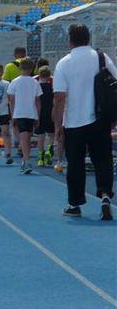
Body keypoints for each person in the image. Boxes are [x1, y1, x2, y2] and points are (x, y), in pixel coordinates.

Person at [53, 23, 117, 220]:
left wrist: (57, 125)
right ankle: (105, 195)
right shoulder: (101, 57)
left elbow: (60, 97)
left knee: (75, 164)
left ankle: (75, 204)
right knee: (103, 160)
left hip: (74, 121)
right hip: (100, 119)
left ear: (70, 40)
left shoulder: (64, 63)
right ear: (88, 38)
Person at [8, 58, 42, 175]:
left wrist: (12, 115)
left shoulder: (15, 82)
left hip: (19, 112)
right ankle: (25, 161)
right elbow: (38, 101)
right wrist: (37, 115)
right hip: (31, 113)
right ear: (32, 69)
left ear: (20, 68)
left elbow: (11, 101)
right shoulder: (35, 82)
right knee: (26, 138)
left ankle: (26, 161)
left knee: (24, 138)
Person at [35, 66, 55, 167]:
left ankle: (40, 157)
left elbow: (35, 101)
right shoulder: (52, 87)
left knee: (40, 136)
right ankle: (49, 149)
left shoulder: (37, 87)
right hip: (50, 112)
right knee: (52, 134)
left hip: (40, 113)